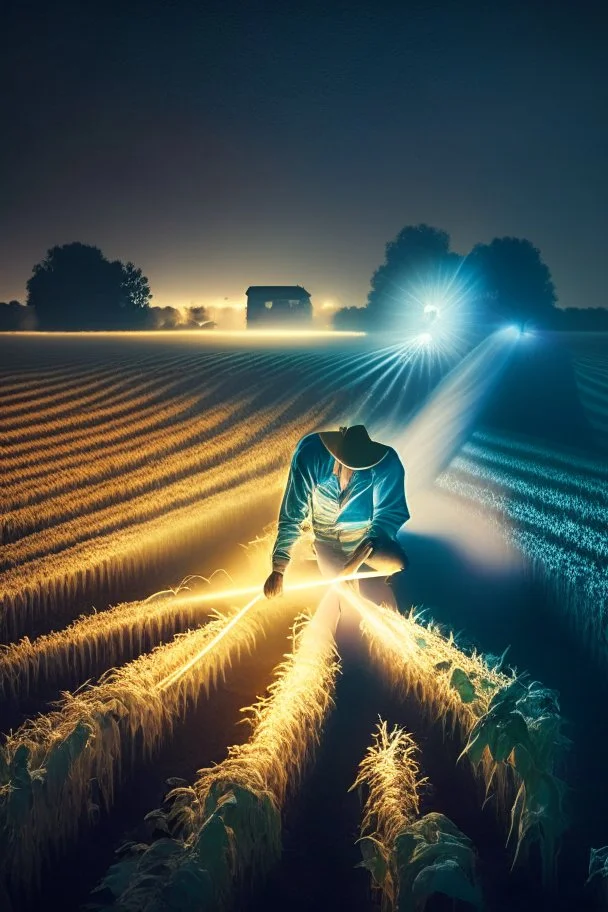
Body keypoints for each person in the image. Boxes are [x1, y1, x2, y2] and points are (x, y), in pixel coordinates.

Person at [264, 424, 410, 598]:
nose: (353, 469)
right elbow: (293, 513)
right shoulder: (311, 455)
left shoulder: (386, 464)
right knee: (341, 588)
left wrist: (367, 546)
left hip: (362, 538)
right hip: (324, 538)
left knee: (397, 562)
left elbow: (389, 513)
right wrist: (278, 568)